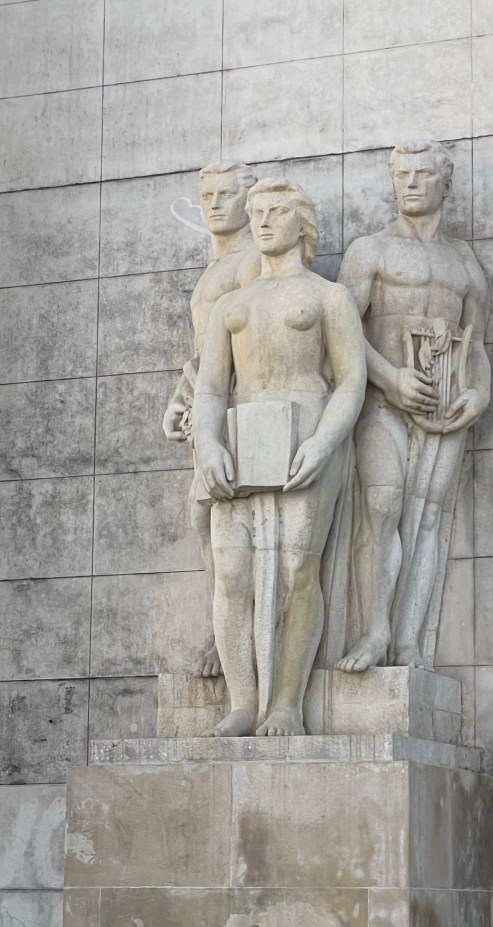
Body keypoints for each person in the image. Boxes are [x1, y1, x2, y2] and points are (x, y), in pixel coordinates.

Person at [192, 179, 366, 736]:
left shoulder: (328, 296)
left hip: (306, 433)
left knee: (298, 570)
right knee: (231, 574)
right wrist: (207, 443)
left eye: (277, 212)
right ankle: (242, 702)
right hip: (241, 436)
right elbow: (211, 388)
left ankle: (287, 702)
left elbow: (351, 380)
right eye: (257, 212)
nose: (263, 221)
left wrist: (324, 441)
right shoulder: (231, 304)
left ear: (301, 223)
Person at [336, 140, 491, 672]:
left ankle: (408, 644)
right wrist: (390, 378)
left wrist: (479, 392)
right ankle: (374, 631)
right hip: (384, 401)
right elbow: (342, 333)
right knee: (381, 508)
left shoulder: (463, 260)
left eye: (423, 174)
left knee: (426, 522)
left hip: (445, 408)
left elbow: (477, 342)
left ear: (445, 184)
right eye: (402, 174)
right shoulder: (370, 250)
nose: (411, 182)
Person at [163, 162, 261, 677]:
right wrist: (182, 400)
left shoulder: (252, 264)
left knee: (229, 524)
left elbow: (254, 346)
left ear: (249, 200)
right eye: (207, 196)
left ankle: (238, 636)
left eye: (227, 194)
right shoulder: (213, 269)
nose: (215, 204)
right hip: (207, 405)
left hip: (239, 407)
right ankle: (225, 630)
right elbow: (203, 354)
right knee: (204, 521)